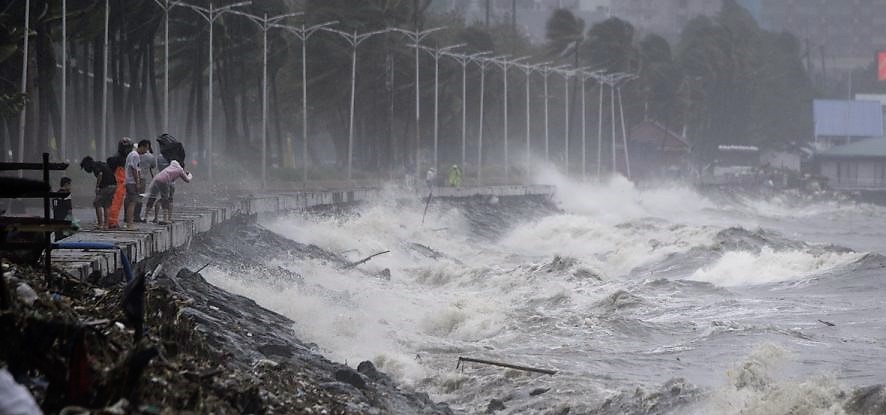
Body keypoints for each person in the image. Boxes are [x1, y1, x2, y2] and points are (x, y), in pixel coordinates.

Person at [144, 160, 192, 224]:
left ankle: (145, 217)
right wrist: (190, 175)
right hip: (164, 180)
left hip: (157, 178)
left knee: (152, 197)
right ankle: (165, 219)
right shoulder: (180, 170)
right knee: (165, 199)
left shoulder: (172, 165)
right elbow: (187, 180)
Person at [80, 156, 116, 229]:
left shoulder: (94, 166)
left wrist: (97, 187)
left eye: (85, 168)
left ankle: (100, 224)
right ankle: (106, 225)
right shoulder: (101, 164)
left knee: (97, 203)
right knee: (106, 205)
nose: (86, 170)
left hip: (106, 186)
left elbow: (100, 174)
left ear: (87, 164)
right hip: (113, 185)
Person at [106, 138, 132, 229]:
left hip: (118, 183)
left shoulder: (116, 157)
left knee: (116, 203)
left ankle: (112, 220)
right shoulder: (120, 159)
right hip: (118, 184)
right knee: (115, 203)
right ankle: (112, 222)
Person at [123, 139, 143, 229]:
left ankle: (128, 223)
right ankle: (130, 224)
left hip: (127, 181)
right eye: (146, 149)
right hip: (132, 182)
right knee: (133, 202)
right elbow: (134, 169)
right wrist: (137, 182)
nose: (146, 152)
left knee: (128, 201)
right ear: (142, 146)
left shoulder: (130, 154)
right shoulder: (135, 155)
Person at [134, 140, 156, 222]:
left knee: (131, 197)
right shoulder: (150, 157)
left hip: (133, 178)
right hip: (142, 178)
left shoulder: (134, 154)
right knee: (140, 196)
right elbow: (153, 166)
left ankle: (128, 216)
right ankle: (136, 216)